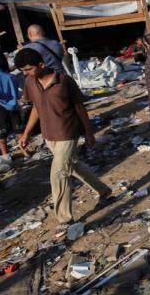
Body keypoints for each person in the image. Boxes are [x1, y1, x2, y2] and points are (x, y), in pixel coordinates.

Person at [16, 48, 113, 229]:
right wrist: (26, 133)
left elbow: (80, 108)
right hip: (48, 135)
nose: (25, 73)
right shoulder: (30, 82)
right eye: (23, 71)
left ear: (41, 65)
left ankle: (65, 219)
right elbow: (36, 108)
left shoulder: (64, 81)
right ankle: (104, 191)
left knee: (58, 174)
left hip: (68, 133)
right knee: (73, 166)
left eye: (28, 69)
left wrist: (89, 132)